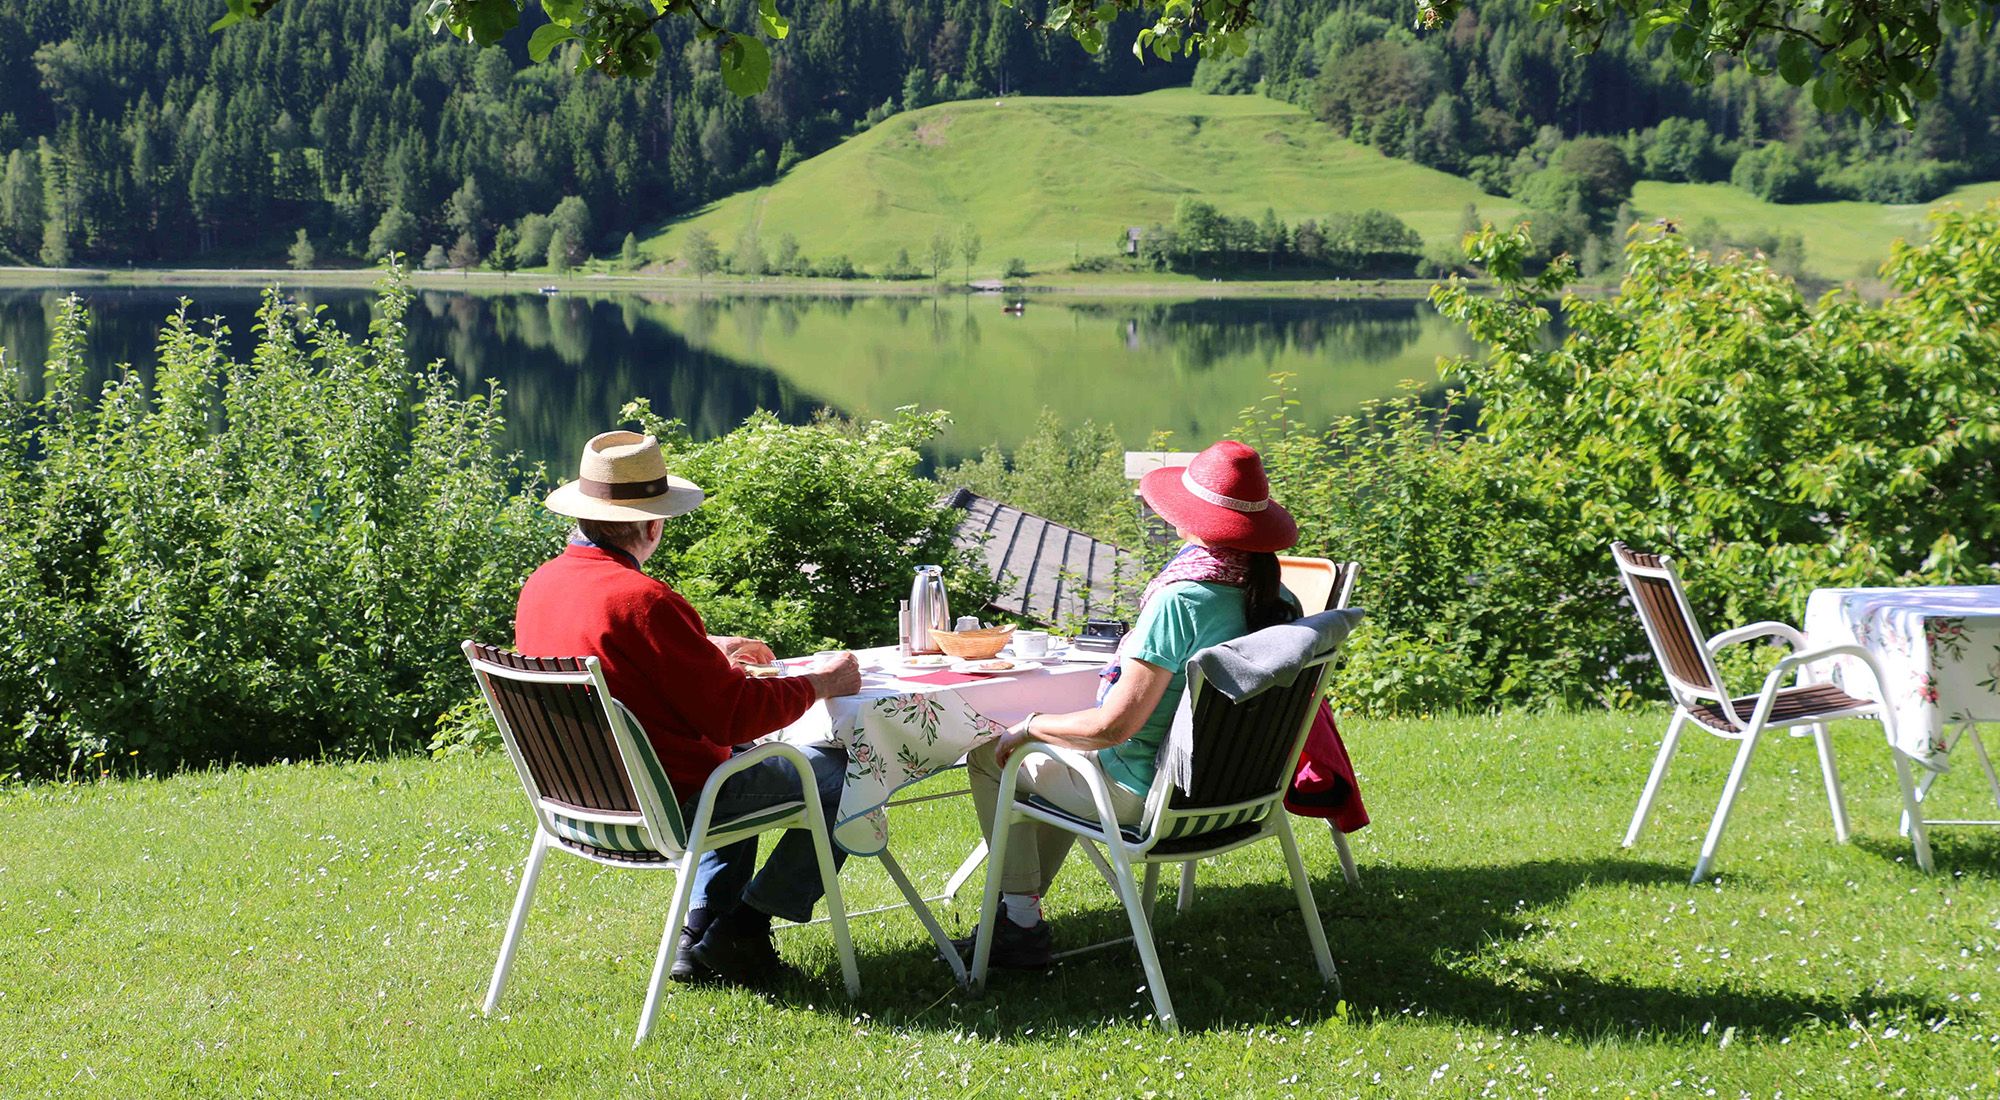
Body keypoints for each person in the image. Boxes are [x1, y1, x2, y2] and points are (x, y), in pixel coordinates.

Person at [515, 429, 863, 987]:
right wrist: (820, 682)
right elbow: (733, 715)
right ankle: (743, 930)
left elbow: (613, 663)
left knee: (739, 757)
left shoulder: (543, 585)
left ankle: (696, 932)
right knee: (851, 774)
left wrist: (706, 650)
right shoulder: (642, 600)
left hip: (580, 802)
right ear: (653, 525)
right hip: (668, 804)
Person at [963, 440, 1302, 968]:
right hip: (1242, 796)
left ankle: (1020, 925)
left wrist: (1028, 725)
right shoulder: (1281, 602)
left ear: (1192, 520)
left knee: (995, 757)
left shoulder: (1182, 598)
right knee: (1048, 761)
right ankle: (1018, 917)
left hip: (1147, 796)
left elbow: (1111, 728)